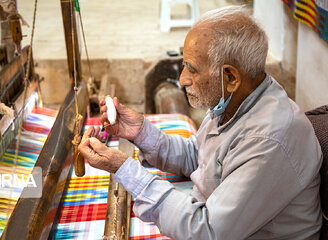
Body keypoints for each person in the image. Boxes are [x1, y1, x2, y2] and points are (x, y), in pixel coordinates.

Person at [78, 6, 323, 239]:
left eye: (191, 69)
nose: (183, 79)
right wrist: (140, 133)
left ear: (230, 77)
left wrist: (126, 171)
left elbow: (205, 231)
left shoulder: (269, 139)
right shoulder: (233, 100)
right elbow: (200, 157)